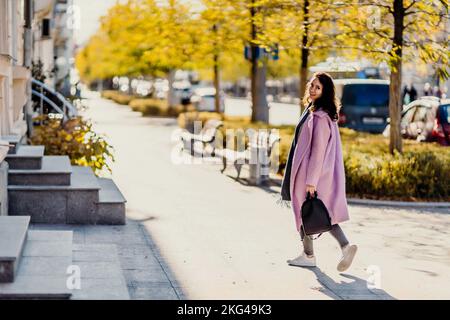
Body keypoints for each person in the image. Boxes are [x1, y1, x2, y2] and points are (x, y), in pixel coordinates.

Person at [280, 72, 357, 271]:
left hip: (308, 175)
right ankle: (340, 248)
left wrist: (311, 181)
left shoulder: (321, 117)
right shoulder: (313, 110)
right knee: (318, 213)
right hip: (306, 173)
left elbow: (318, 151)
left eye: (318, 87)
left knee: (309, 212)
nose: (313, 89)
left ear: (325, 92)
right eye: (312, 85)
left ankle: (311, 254)